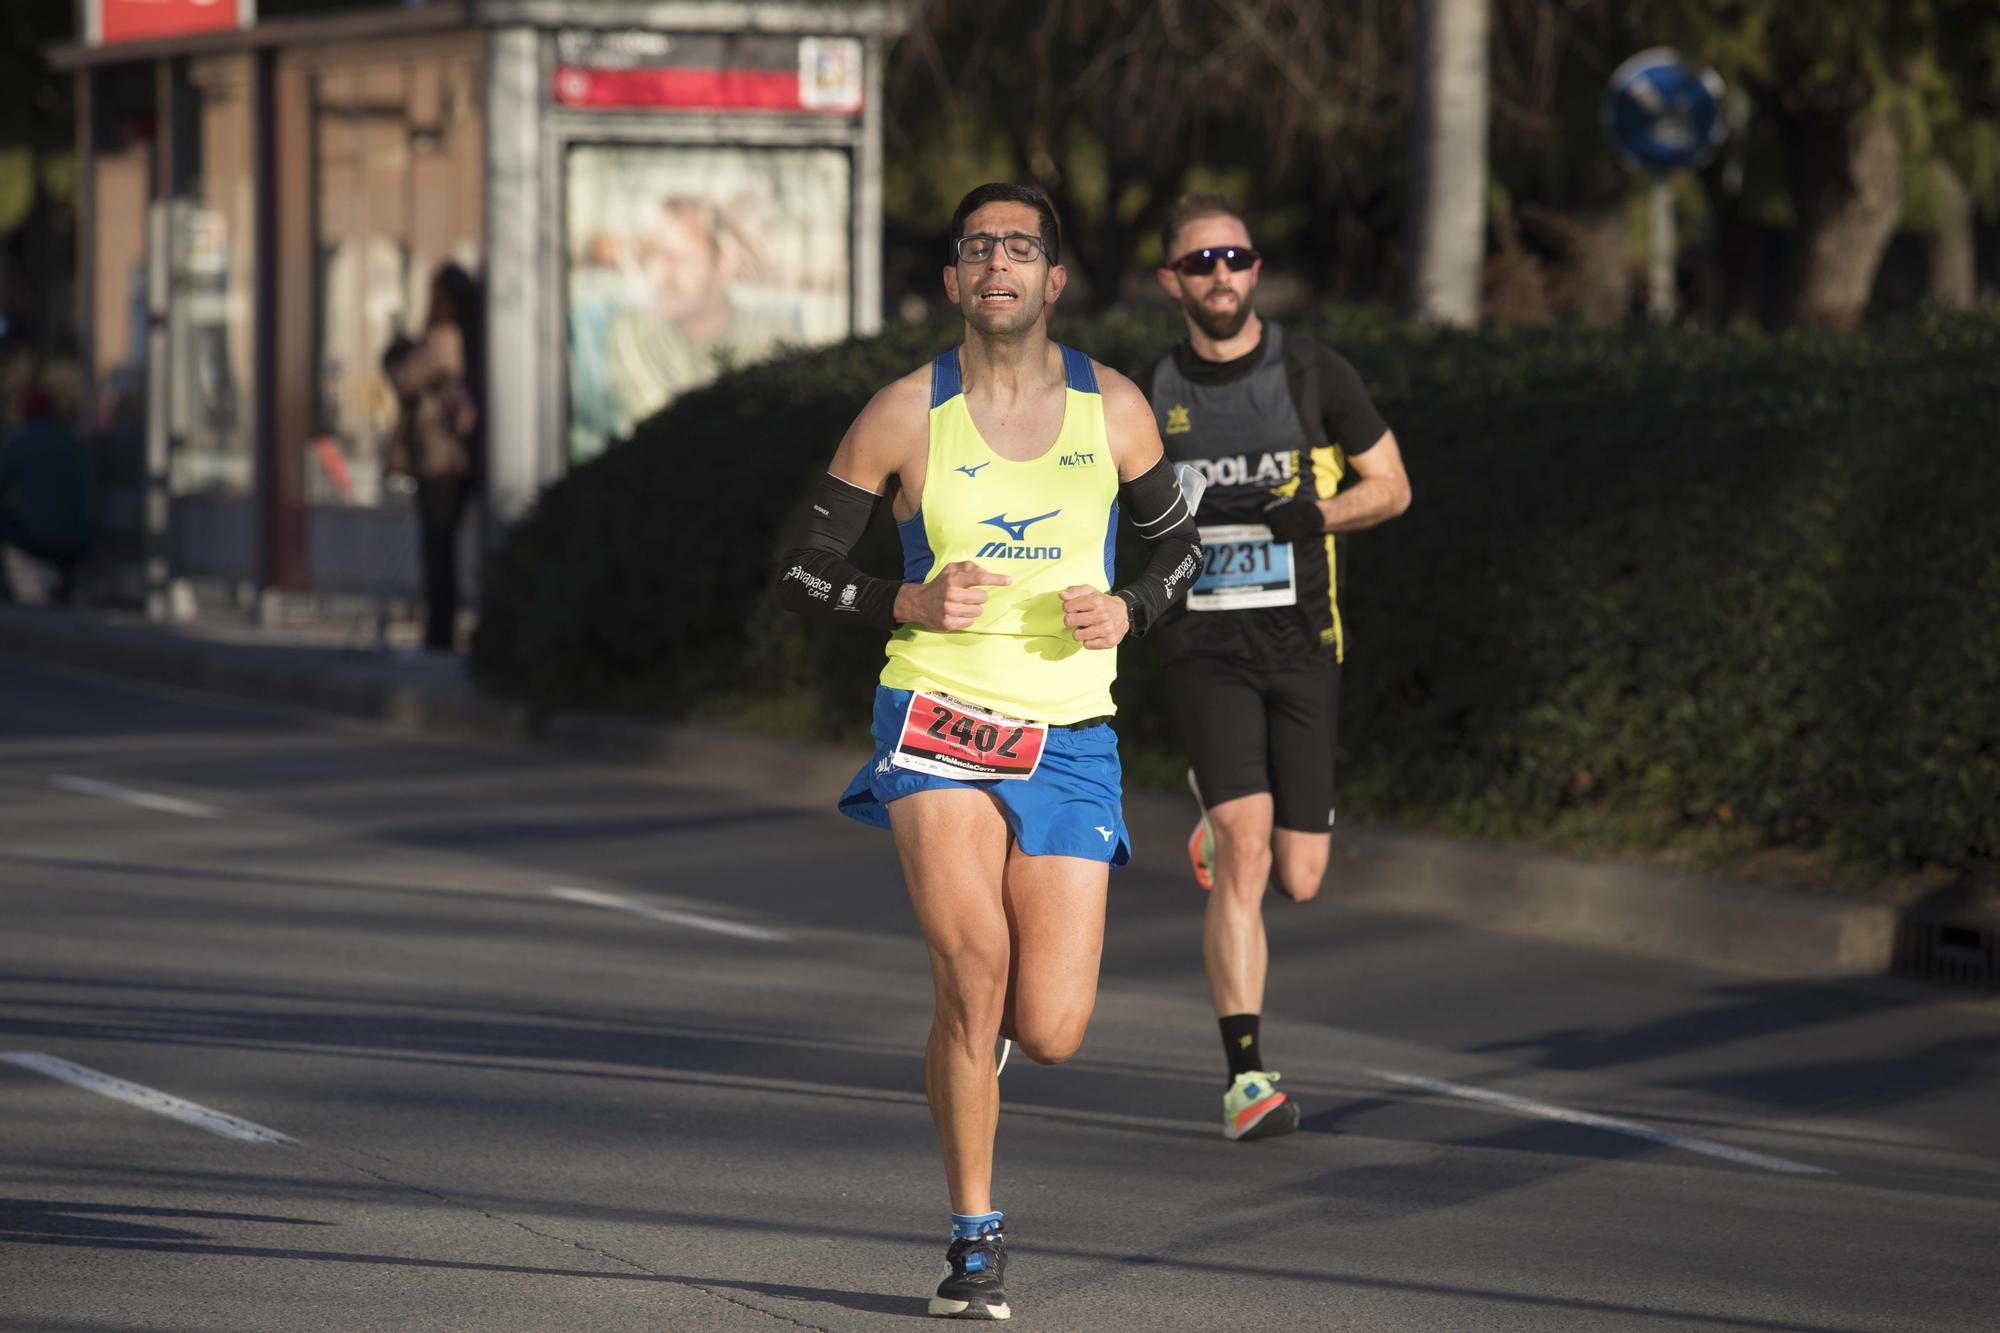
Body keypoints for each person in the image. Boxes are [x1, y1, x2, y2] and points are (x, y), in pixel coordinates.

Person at [775, 182, 1200, 1320]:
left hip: (1067, 737)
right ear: (954, 280)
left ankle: (976, 1046)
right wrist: (905, 596)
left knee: (1049, 1027)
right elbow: (804, 569)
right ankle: (974, 1240)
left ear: (1053, 279)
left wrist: (1131, 610)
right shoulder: (904, 413)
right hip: (936, 721)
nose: (997, 264)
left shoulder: (1112, 410)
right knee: (972, 970)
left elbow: (1181, 557)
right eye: (977, 249)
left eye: (1020, 248)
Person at [1137, 193, 1411, 1142]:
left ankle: (1227, 826)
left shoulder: (1310, 371)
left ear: (1255, 269)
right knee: (1249, 852)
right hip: (1202, 644)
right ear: (1171, 280)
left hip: (1302, 642)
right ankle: (1246, 1079)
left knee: (1299, 874)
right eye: (1199, 262)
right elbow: (1110, 512)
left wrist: (1317, 516)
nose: (1219, 275)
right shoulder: (1150, 393)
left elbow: (1393, 487)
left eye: (1235, 258)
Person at [385, 263, 482, 651]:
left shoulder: (443, 337)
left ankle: (439, 631)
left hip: (439, 456)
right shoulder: (474, 336)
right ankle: (442, 627)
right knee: (443, 545)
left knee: (438, 546)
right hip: (458, 456)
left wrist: (395, 353)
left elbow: (404, 376)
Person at [0, 386, 91, 604]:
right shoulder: (71, 442)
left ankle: (5, 593)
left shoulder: (22, 442)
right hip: (79, 537)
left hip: (41, 536)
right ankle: (64, 585)